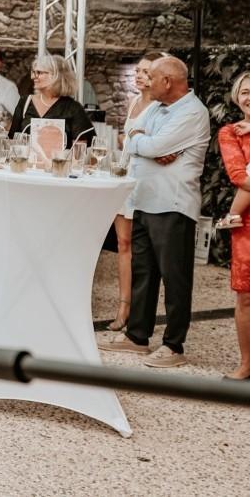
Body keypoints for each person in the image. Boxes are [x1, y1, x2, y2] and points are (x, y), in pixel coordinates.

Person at [99, 56, 211, 368]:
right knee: (144, 273)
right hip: (144, 200)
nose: (147, 82)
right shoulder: (156, 107)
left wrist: (145, 143)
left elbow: (152, 146)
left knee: (175, 278)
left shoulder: (193, 112)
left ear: (168, 81)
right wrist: (144, 141)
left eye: (153, 77)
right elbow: (133, 134)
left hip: (173, 204)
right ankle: (137, 337)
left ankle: (174, 345)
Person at [108, 50, 168, 331]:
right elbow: (128, 139)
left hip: (146, 180)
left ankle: (139, 308)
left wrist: (130, 140)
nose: (140, 76)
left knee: (140, 248)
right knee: (122, 244)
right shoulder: (133, 101)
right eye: (139, 71)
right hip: (125, 175)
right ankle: (123, 306)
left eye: (147, 72)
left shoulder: (161, 107)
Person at [216, 71, 250, 381]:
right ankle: (247, 363)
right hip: (247, 225)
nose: (249, 97)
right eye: (244, 91)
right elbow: (239, 176)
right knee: (246, 296)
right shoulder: (230, 132)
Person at [12, 54, 94, 147]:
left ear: (56, 76)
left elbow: (80, 149)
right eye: (33, 72)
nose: (33, 77)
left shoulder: (73, 108)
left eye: (39, 72)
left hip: (60, 157)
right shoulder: (25, 103)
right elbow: (12, 140)